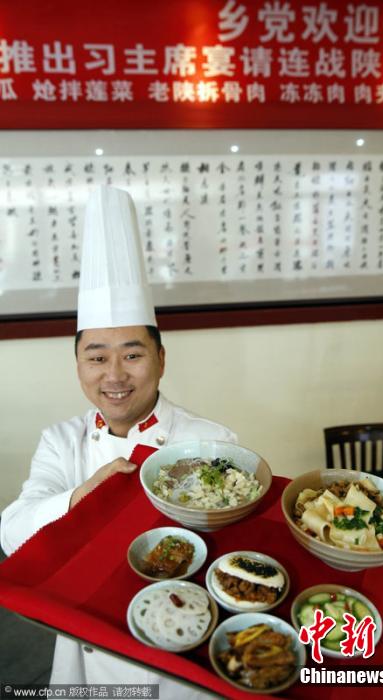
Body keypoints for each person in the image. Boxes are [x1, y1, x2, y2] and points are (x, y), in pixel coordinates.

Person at [0, 186, 235, 699]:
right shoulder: (61, 441)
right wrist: (85, 497)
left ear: (161, 359)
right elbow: (12, 533)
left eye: (132, 355)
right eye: (96, 357)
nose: (114, 375)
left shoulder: (212, 442)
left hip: (181, 657)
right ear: (78, 364)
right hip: (86, 658)